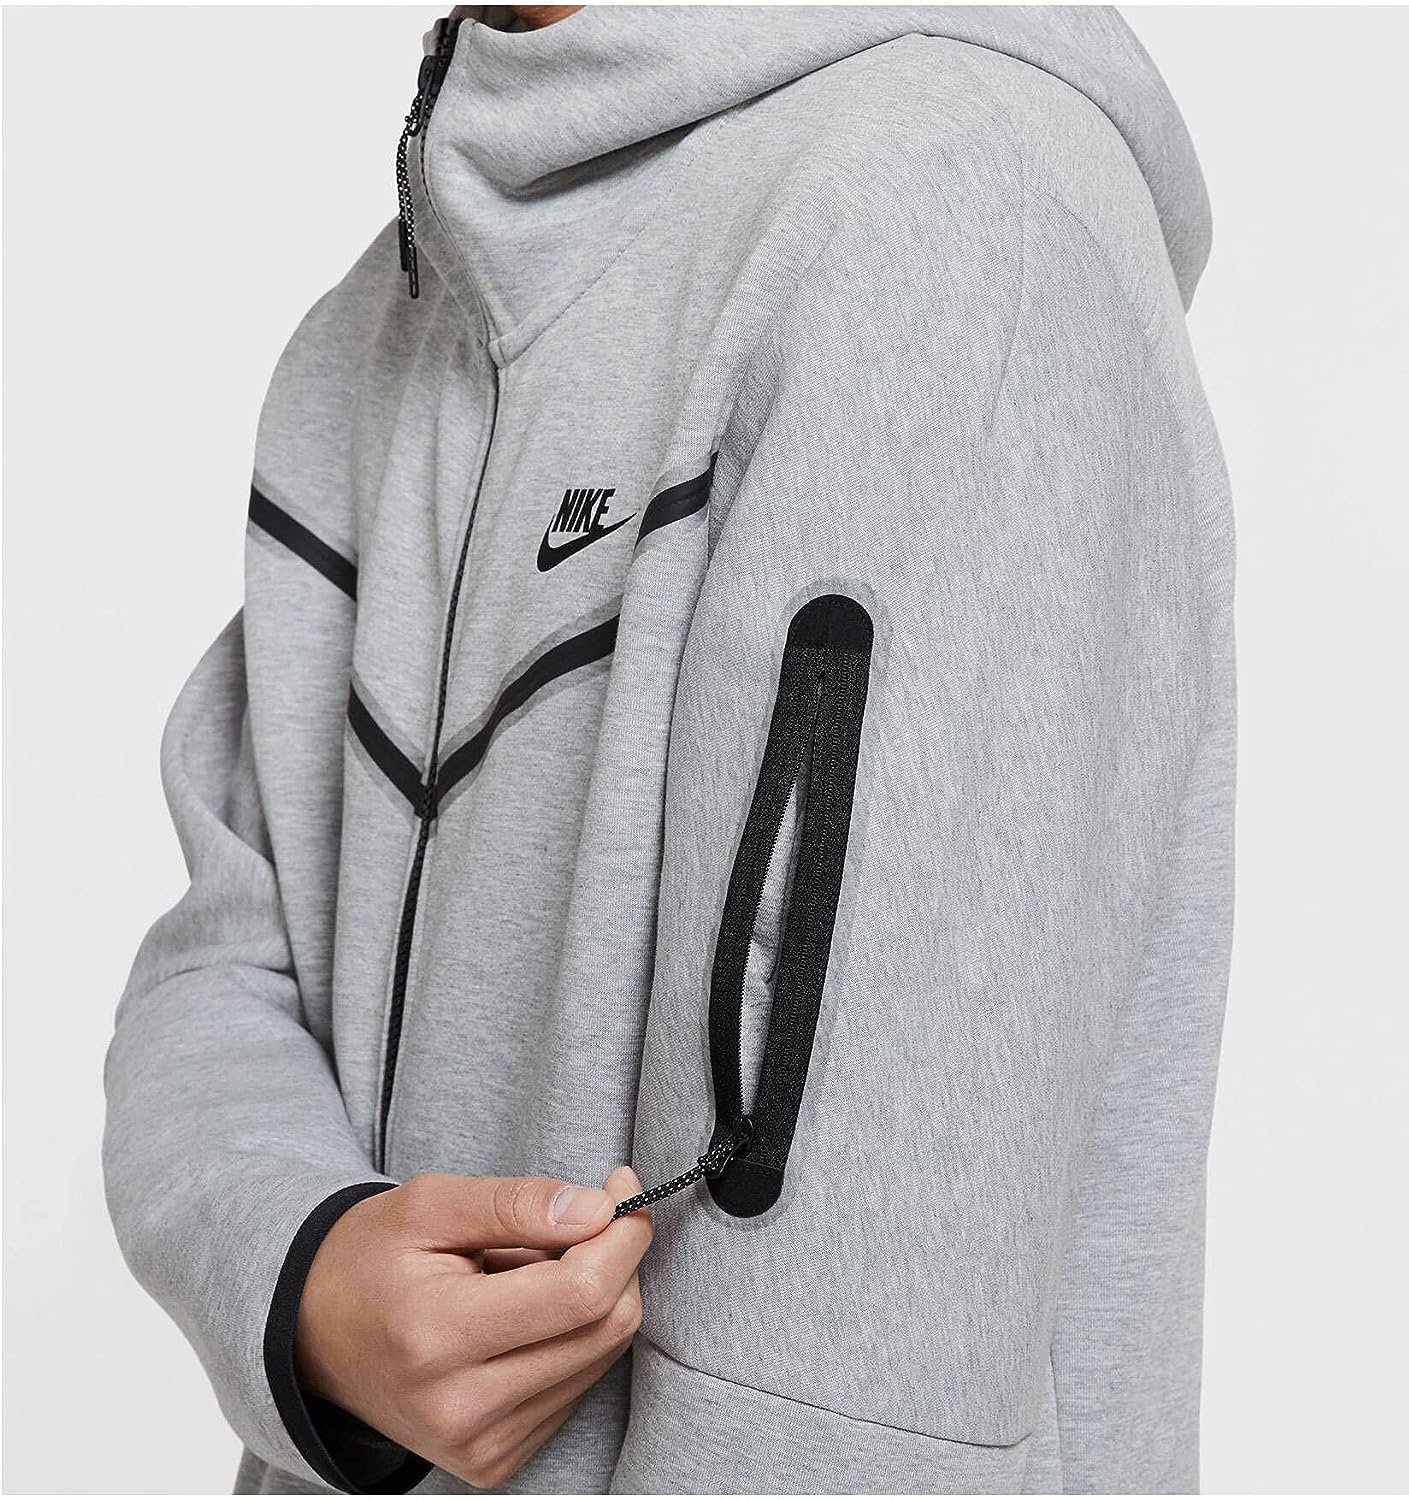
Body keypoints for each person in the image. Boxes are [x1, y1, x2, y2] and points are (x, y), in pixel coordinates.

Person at [104, 5, 1234, 1494]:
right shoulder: (378, 330)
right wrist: (301, 1267)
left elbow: (845, 1398)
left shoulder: (953, 218)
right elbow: (224, 951)